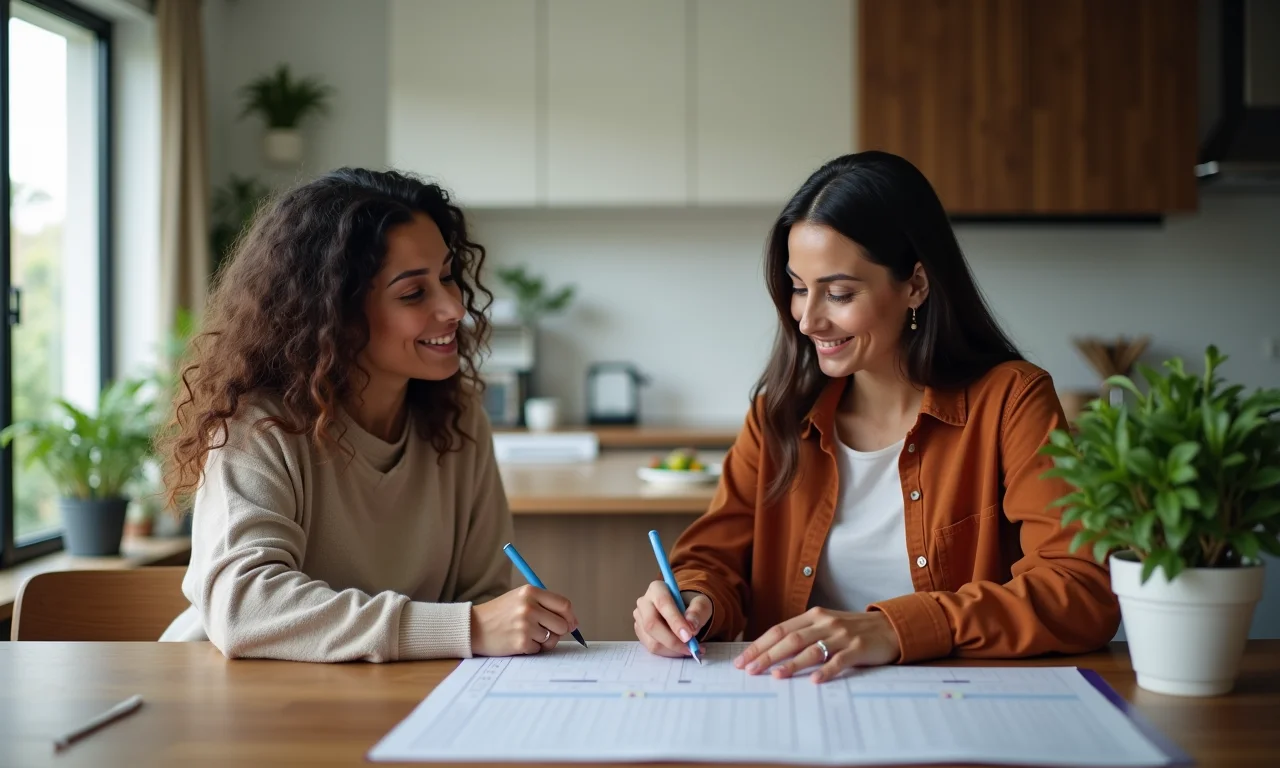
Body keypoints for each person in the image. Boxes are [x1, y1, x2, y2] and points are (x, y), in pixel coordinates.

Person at [632, 151, 1120, 682]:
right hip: (793, 697)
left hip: (957, 703)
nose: (808, 320)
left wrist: (896, 627)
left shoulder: (1011, 401)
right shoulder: (779, 414)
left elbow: (1080, 590)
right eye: (799, 288)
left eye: (839, 293)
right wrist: (695, 600)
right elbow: (714, 562)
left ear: (916, 284)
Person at [158, 168, 579, 662]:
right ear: (333, 313)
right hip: (233, 694)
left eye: (446, 276)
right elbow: (243, 604)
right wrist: (466, 627)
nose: (453, 307)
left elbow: (485, 596)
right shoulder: (257, 426)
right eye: (413, 293)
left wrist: (499, 624)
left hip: (391, 693)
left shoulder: (459, 419)